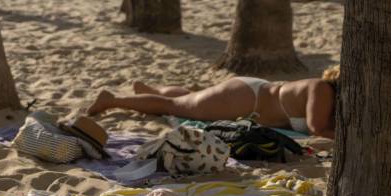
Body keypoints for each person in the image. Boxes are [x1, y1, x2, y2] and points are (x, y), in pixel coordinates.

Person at [87, 72, 337, 138]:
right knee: (174, 106)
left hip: (250, 99)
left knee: (190, 99)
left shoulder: (330, 96)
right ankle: (112, 99)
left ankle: (150, 90)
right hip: (247, 99)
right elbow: (316, 129)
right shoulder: (322, 88)